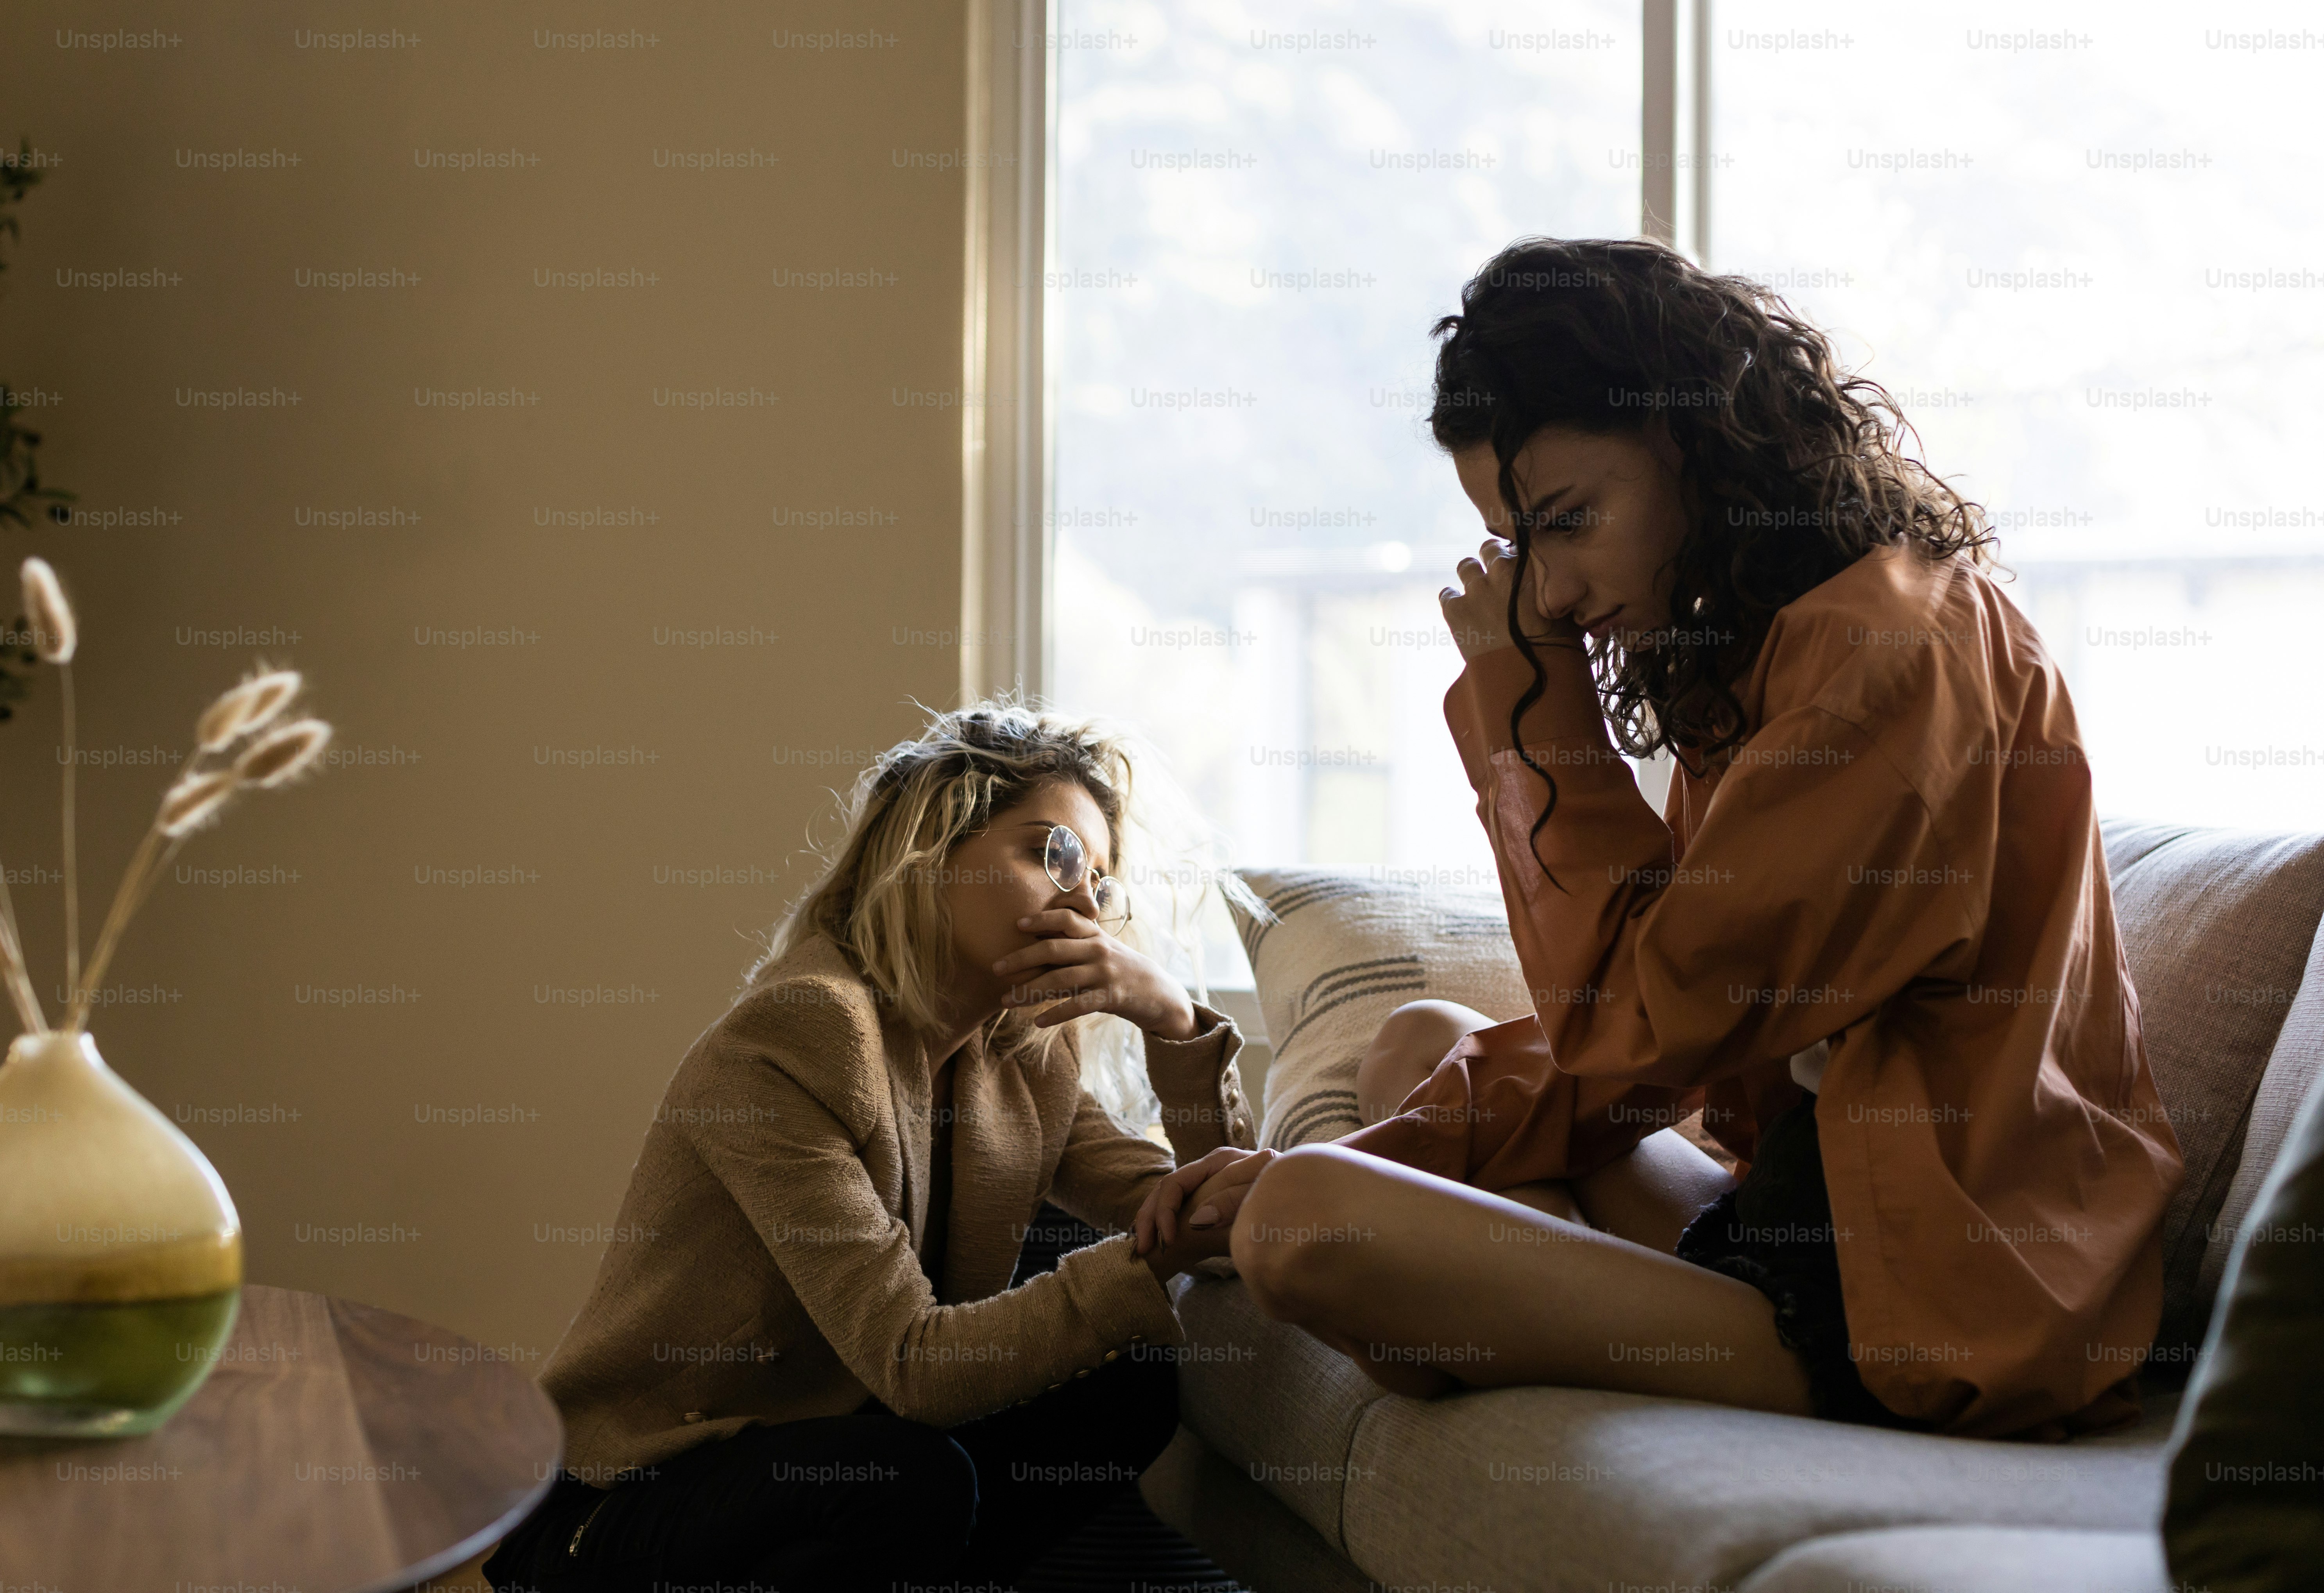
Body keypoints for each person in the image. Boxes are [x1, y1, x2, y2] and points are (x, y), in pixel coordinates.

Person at [1138, 236, 2184, 1441]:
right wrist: (1389, 1152)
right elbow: (1647, 1050)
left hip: (1928, 1309)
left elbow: (1641, 1018)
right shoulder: (1778, 643)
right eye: (1522, 545)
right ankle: (1485, 1314)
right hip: (1797, 1223)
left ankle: (1479, 1320)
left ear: (1703, 437)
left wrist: (1532, 703)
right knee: (1418, 1046)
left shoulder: (1882, 664)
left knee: (1304, 1221)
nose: (1551, 595)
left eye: (1571, 521)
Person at [483, 703, 1259, 1592]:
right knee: (906, 1481)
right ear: (931, 847)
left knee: (1127, 1381)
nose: (1084, 903)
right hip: (626, 1501)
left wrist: (1175, 1023)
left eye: (1101, 882)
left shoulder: (1020, 1057)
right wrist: (1153, 1255)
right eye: (1053, 854)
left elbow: (1221, 1218)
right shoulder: (799, 1034)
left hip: (839, 1460)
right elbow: (914, 1365)